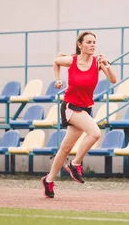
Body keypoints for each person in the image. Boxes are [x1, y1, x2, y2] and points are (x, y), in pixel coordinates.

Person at [40, 31, 117, 198]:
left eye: (94, 42)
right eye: (89, 42)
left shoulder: (98, 62)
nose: (92, 45)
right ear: (80, 45)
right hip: (71, 106)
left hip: (85, 107)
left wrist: (107, 65)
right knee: (95, 133)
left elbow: (113, 80)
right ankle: (75, 164)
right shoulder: (71, 60)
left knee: (66, 147)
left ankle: (49, 180)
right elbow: (56, 61)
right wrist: (57, 79)